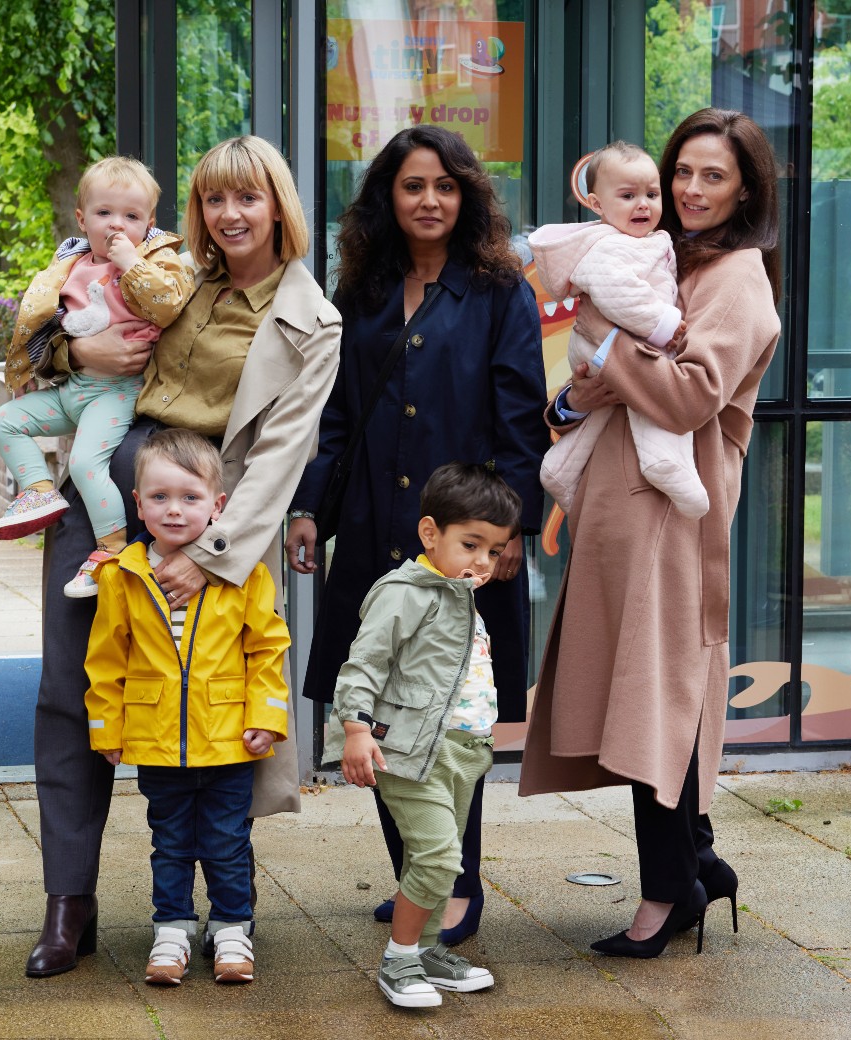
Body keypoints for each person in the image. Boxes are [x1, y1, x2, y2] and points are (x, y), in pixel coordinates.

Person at [24, 135, 341, 979]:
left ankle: (221, 907)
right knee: (71, 691)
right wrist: (77, 352)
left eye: (247, 198)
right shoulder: (168, 273)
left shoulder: (314, 321)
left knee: (207, 704)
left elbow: (281, 456)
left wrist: (213, 554)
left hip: (209, 518)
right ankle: (69, 900)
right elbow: (47, 343)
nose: (229, 215)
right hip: (106, 491)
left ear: (280, 207)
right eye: (212, 199)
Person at [519, 108, 783, 958]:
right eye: (684, 172)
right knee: (651, 694)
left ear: (746, 188)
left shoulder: (737, 274)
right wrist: (578, 387)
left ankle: (671, 890)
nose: (692, 189)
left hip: (671, 516)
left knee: (657, 699)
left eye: (715, 175)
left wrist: (602, 347)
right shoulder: (662, 254)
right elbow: (572, 399)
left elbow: (689, 393)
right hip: (620, 509)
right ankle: (697, 863)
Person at [285, 124, 548, 946]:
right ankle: (417, 875)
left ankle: (454, 882)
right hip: (371, 533)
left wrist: (506, 534)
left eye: (444, 185)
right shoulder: (362, 291)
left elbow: (521, 422)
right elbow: (334, 417)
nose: (429, 200)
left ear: (466, 195)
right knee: (383, 711)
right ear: (387, 200)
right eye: (411, 186)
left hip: (462, 545)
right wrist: (308, 508)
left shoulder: (501, 292)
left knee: (449, 718)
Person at [85, 429, 289, 986]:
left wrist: (267, 719)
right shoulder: (121, 576)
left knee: (227, 842)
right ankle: (171, 930)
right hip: (155, 739)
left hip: (228, 739)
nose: (174, 510)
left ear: (218, 505)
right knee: (170, 843)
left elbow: (267, 648)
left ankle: (231, 929)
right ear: (138, 503)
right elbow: (106, 660)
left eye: (190, 498)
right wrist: (106, 728)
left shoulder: (244, 573)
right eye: (159, 497)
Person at [327, 463, 518, 1007]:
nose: (482, 561)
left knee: (433, 859)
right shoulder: (403, 593)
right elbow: (363, 665)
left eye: (494, 551)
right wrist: (356, 729)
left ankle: (427, 950)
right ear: (430, 533)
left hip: (463, 754)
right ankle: (398, 959)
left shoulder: (458, 591)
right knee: (438, 859)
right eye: (471, 544)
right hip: (411, 753)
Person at [0, 156, 195, 597]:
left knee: (85, 463)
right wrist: (24, 366)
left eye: (131, 216)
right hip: (71, 388)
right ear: (82, 220)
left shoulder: (157, 260)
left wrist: (131, 262)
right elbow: (39, 318)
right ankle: (39, 491)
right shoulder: (69, 263)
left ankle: (109, 548)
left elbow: (168, 306)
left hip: (115, 392)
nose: (116, 226)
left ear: (150, 222)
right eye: (104, 214)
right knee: (6, 421)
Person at [529, 140, 707, 520]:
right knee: (643, 401)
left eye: (651, 194)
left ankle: (559, 470)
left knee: (606, 410)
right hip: (607, 344)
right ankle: (664, 459)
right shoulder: (607, 245)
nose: (643, 204)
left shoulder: (645, 240)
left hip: (614, 346)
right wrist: (664, 325)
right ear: (596, 204)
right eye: (628, 196)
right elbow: (617, 294)